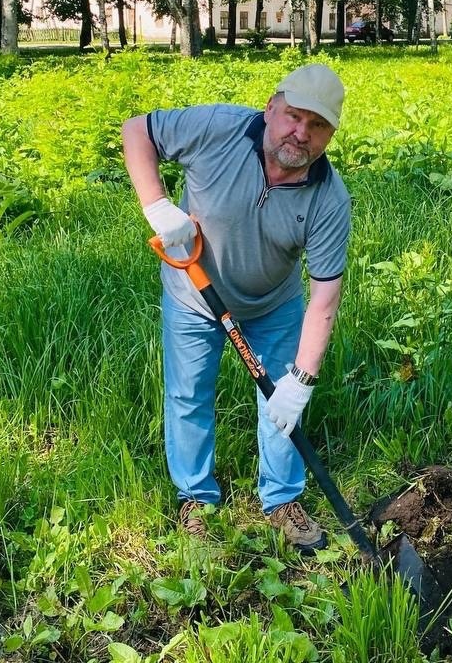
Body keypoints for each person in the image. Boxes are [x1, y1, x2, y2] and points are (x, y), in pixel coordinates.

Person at [121, 63, 351, 552]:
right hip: (192, 293)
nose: (300, 133)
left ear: (331, 134)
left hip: (274, 304)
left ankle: (283, 499)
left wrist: (302, 381)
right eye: (293, 116)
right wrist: (158, 206)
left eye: (317, 126)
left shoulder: (329, 199)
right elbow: (136, 131)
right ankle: (197, 498)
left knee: (281, 405)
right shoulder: (217, 129)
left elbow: (324, 297)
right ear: (271, 107)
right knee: (188, 397)